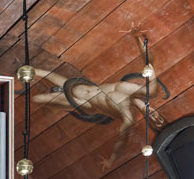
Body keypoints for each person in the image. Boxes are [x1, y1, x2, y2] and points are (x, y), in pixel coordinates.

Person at [30, 62, 167, 164]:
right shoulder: (131, 89)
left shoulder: (128, 117)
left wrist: (111, 161)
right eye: (160, 118)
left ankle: (53, 92)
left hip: (85, 104)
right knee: (54, 80)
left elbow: (121, 142)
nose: (156, 118)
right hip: (83, 89)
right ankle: (35, 74)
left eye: (156, 123)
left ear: (149, 123)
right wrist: (152, 74)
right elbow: (152, 91)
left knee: (37, 99)